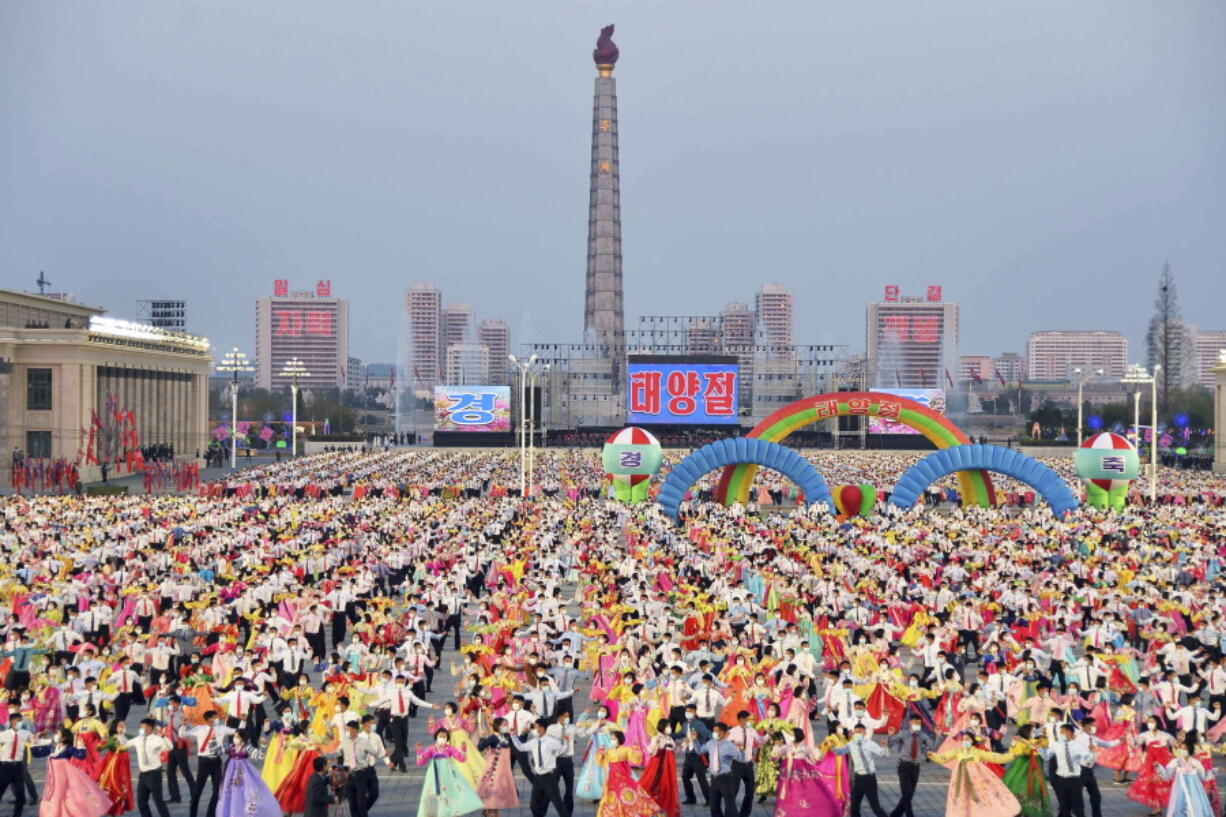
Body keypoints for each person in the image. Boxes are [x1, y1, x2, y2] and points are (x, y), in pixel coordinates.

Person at [928, 732, 1020, 817]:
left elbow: (995, 757)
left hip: (977, 781)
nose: (965, 741)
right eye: (964, 739)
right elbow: (943, 758)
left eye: (967, 739)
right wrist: (932, 755)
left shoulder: (978, 752)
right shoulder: (957, 752)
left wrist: (1011, 755)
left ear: (972, 741)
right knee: (963, 800)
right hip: (962, 782)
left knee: (980, 799)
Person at [37, 728, 113, 817]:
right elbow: (37, 753)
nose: (56, 735)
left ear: (64, 738)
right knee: (54, 796)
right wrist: (36, 740)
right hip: (53, 780)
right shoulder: (52, 748)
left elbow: (81, 756)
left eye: (58, 733)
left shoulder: (68, 748)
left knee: (66, 797)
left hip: (64, 778)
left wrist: (81, 746)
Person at [415, 729, 485, 817]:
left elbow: (461, 759)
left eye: (444, 737)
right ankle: (437, 812)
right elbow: (420, 762)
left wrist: (463, 749)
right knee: (435, 792)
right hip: (435, 773)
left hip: (448, 773)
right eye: (440, 736)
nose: (442, 738)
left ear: (447, 738)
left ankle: (450, 811)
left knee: (449, 791)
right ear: (436, 737)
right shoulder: (431, 749)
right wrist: (419, 751)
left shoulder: (449, 749)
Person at [593, 730, 663, 817]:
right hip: (612, 779)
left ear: (619, 739)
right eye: (611, 739)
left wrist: (636, 749)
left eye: (614, 739)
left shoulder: (626, 750)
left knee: (628, 797)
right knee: (613, 798)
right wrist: (600, 753)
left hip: (624, 779)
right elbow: (601, 763)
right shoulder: (609, 751)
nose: (612, 741)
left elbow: (636, 760)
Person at [772, 727, 839, 817]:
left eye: (792, 735)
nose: (790, 736)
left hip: (801, 776)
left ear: (797, 736)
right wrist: (776, 747)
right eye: (790, 735)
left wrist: (818, 750)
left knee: (800, 795)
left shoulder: (805, 748)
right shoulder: (785, 747)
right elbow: (775, 758)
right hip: (788, 775)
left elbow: (815, 759)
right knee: (786, 794)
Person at [510, 719, 570, 817]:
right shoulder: (533, 741)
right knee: (533, 805)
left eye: (536, 727)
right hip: (538, 778)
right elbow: (521, 747)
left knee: (558, 804)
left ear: (542, 729)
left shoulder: (551, 741)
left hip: (549, 777)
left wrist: (566, 743)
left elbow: (561, 750)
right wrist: (513, 736)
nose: (534, 729)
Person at [215, 733, 281, 817]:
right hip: (230, 773)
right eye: (234, 736)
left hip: (243, 771)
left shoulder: (246, 747)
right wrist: (214, 739)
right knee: (229, 792)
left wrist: (263, 745)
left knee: (244, 792)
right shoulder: (231, 746)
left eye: (237, 737)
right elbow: (217, 752)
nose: (235, 738)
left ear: (243, 738)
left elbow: (259, 756)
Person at [831, 723, 889, 817]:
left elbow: (883, 754)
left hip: (869, 779)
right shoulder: (851, 744)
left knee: (875, 807)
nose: (858, 734)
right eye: (856, 732)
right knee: (854, 807)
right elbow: (839, 752)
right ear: (853, 733)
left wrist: (884, 746)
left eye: (860, 732)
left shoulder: (870, 744)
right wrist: (832, 746)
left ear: (865, 732)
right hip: (858, 779)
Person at [1041, 723, 1097, 817]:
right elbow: (1046, 756)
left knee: (1078, 806)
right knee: (1064, 807)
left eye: (1062, 732)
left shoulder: (1077, 746)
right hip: (1061, 779)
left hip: (1074, 780)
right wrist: (1040, 748)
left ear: (1069, 732)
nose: (1060, 734)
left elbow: (1088, 760)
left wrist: (1092, 752)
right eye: (1060, 732)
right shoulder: (1056, 745)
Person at [188, 711, 235, 817]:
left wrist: (243, 721)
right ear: (208, 720)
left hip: (216, 761)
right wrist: (183, 725)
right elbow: (183, 734)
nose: (217, 719)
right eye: (214, 717)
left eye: (217, 717)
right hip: (204, 761)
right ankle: (192, 813)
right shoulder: (200, 729)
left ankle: (211, 814)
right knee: (198, 789)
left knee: (217, 789)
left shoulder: (221, 728)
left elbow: (237, 731)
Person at [887, 715, 934, 817]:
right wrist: (890, 735)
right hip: (904, 766)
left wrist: (936, 738)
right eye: (915, 723)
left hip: (915, 767)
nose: (917, 725)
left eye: (919, 723)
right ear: (910, 723)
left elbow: (931, 746)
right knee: (907, 794)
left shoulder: (922, 735)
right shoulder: (903, 734)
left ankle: (902, 814)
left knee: (909, 795)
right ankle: (900, 814)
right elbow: (890, 744)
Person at [129, 718, 174, 817]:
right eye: (140, 727)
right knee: (141, 802)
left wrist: (163, 737)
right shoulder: (138, 739)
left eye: (143, 727)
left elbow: (169, 747)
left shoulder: (157, 739)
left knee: (158, 801)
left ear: (150, 728)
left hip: (154, 774)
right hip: (143, 775)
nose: (141, 729)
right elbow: (125, 744)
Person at [476, 718, 520, 817]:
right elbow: (480, 748)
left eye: (506, 724)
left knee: (502, 787)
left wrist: (515, 735)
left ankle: (491, 809)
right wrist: (482, 738)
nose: (506, 727)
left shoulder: (507, 736)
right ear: (498, 725)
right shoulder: (492, 737)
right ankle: (492, 810)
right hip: (495, 766)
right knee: (494, 786)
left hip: (505, 767)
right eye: (504, 724)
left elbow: (518, 745)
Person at [701, 722, 743, 817]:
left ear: (724, 733)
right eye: (714, 731)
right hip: (714, 779)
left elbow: (739, 758)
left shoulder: (729, 745)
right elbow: (700, 750)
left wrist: (739, 750)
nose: (715, 733)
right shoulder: (710, 743)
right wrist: (694, 741)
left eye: (718, 731)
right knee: (714, 807)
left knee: (730, 806)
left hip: (725, 779)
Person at [639, 720, 679, 817]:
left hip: (668, 766)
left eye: (669, 726)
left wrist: (685, 744)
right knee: (652, 785)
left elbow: (675, 750)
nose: (669, 728)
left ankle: (663, 810)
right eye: (667, 726)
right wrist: (656, 744)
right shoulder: (656, 738)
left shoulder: (669, 738)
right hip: (657, 765)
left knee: (666, 786)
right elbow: (650, 752)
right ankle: (650, 808)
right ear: (662, 727)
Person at [97, 721, 135, 817]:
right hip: (113, 766)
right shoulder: (112, 739)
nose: (122, 727)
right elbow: (99, 749)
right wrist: (103, 740)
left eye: (123, 725)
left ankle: (120, 807)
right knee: (113, 786)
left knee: (124, 785)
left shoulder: (127, 736)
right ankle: (112, 808)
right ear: (115, 727)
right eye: (120, 725)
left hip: (124, 765)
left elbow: (138, 738)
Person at [676, 707, 711, 806]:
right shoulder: (685, 724)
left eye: (690, 711)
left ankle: (709, 799)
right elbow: (680, 734)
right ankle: (690, 798)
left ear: (695, 712)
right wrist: (670, 735)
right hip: (688, 755)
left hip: (697, 756)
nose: (688, 713)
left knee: (701, 778)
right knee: (685, 776)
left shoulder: (699, 724)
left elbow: (708, 734)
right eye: (686, 711)